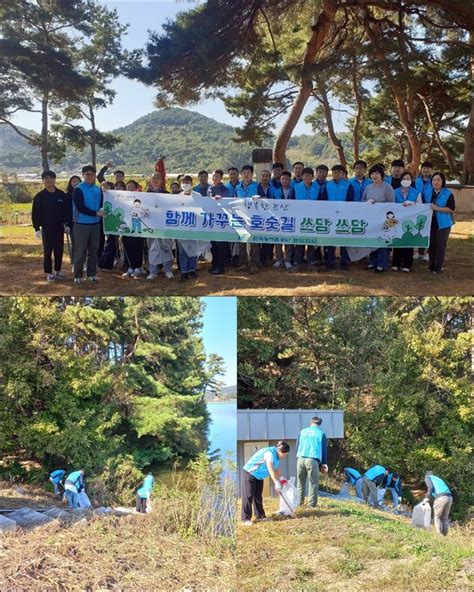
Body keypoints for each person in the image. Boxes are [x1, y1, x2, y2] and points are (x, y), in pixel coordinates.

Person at [32, 170, 71, 282]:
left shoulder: (61, 195)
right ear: (43, 180)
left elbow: (66, 210)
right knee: (47, 251)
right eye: (46, 178)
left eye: (51, 178)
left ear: (54, 179)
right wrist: (36, 228)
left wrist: (67, 224)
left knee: (59, 250)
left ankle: (58, 270)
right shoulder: (39, 197)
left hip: (59, 228)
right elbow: (35, 213)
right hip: (46, 228)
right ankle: (49, 273)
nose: (48, 180)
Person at [241, 441, 290, 525]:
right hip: (250, 473)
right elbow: (270, 469)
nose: (285, 455)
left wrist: (282, 478)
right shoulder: (269, 454)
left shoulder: (277, 455)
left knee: (258, 496)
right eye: (284, 454)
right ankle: (245, 519)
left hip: (259, 476)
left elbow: (276, 467)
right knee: (248, 496)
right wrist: (276, 482)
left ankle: (260, 516)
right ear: (279, 451)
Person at [71, 165, 104, 284]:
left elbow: (102, 204)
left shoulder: (97, 189)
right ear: (83, 175)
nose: (90, 176)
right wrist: (96, 213)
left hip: (95, 224)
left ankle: (91, 274)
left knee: (94, 250)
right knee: (80, 251)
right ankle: (78, 275)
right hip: (81, 224)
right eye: (87, 174)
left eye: (92, 174)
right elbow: (80, 207)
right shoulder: (78, 189)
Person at [321, 165, 355, 271]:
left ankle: (343, 262)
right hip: (330, 216)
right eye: (334, 172)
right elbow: (323, 200)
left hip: (344, 217)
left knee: (343, 240)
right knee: (330, 240)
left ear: (342, 173)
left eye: (338, 172)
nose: (336, 174)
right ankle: (330, 262)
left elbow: (350, 200)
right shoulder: (327, 185)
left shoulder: (348, 185)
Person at [362, 164, 395, 272]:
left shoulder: (387, 187)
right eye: (372, 174)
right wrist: (367, 203)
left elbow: (392, 203)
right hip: (371, 219)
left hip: (384, 219)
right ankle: (373, 262)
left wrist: (379, 205)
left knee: (382, 241)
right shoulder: (368, 187)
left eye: (377, 173)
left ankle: (382, 264)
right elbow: (362, 201)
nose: (374, 176)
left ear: (381, 175)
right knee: (372, 241)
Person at [177, 175, 210, 280]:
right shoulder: (177, 197)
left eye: (187, 182)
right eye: (183, 182)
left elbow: (204, 209)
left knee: (193, 249)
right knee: (182, 250)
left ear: (191, 183)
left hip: (194, 226)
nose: (185, 184)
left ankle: (192, 270)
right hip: (181, 227)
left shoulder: (198, 196)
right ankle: (184, 271)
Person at [288, 166, 320, 271]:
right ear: (301, 176)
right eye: (305, 176)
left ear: (312, 177)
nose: (307, 178)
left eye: (309, 176)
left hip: (312, 219)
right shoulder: (296, 187)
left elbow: (322, 203)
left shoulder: (317, 187)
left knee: (311, 241)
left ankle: (310, 262)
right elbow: (290, 201)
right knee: (299, 241)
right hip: (299, 219)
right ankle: (298, 262)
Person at [235, 165, 265, 273]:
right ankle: (243, 263)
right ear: (241, 175)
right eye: (244, 173)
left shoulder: (257, 186)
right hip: (240, 217)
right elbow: (232, 200)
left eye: (248, 173)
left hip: (254, 218)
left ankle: (254, 264)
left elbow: (265, 199)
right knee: (242, 241)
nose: (246, 175)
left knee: (254, 242)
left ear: (252, 174)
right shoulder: (237, 187)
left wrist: (259, 198)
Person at [145, 173, 174, 281]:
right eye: (154, 178)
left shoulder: (167, 194)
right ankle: (153, 271)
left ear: (162, 181)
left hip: (164, 225)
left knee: (166, 246)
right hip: (150, 226)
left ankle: (168, 269)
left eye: (158, 178)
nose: (156, 180)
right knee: (152, 248)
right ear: (150, 180)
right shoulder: (145, 195)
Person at [392, 171, 422, 272]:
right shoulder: (395, 191)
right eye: (404, 179)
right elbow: (391, 205)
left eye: (408, 179)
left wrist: (413, 204)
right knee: (397, 240)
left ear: (411, 180)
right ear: (401, 180)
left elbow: (420, 206)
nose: (406, 181)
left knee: (408, 240)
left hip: (411, 220)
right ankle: (396, 263)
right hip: (397, 220)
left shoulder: (416, 192)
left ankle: (407, 264)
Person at [296, 416, 328, 508]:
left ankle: (298, 503)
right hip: (312, 459)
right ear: (320, 424)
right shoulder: (321, 433)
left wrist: (298, 456)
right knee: (313, 482)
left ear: (311, 422)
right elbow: (323, 450)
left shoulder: (302, 431)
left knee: (300, 482)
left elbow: (297, 445)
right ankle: (311, 505)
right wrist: (324, 463)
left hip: (300, 458)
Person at [428, 172, 455, 274]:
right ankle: (431, 265)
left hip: (443, 224)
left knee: (440, 245)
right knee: (431, 245)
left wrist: (437, 208)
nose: (436, 182)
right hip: (430, 223)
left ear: (442, 182)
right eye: (434, 180)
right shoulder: (428, 192)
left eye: (438, 180)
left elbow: (451, 209)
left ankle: (437, 267)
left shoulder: (448, 193)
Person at [122, 180, 146, 279]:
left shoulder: (141, 198)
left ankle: (138, 267)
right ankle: (130, 267)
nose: (129, 188)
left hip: (138, 227)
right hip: (126, 228)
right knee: (127, 246)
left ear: (136, 187)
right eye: (128, 186)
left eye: (132, 186)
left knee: (137, 247)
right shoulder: (122, 198)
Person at [209, 169, 230, 275]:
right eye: (213, 176)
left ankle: (221, 267)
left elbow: (227, 202)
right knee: (213, 244)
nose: (214, 178)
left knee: (221, 244)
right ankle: (214, 264)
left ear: (221, 178)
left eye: (217, 176)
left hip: (221, 220)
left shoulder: (224, 189)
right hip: (211, 220)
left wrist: (221, 199)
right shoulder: (210, 188)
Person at [273, 171, 294, 269]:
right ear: (280, 180)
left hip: (290, 218)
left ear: (290, 180)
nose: (284, 180)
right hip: (278, 218)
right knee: (277, 240)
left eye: (286, 178)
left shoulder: (294, 190)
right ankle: (279, 259)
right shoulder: (276, 191)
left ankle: (288, 260)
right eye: (282, 179)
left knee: (289, 240)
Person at [414, 161, 433, 262]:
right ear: (421, 170)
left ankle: (429, 252)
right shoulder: (417, 181)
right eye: (424, 168)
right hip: (420, 208)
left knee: (431, 230)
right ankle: (420, 252)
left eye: (428, 168)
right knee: (420, 229)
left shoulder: (434, 180)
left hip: (431, 208)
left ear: (431, 170)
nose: (426, 170)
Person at [424, 471, 452, 536]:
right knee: (445, 518)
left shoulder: (428, 477)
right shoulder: (438, 478)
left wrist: (427, 497)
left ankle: (438, 535)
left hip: (441, 497)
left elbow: (430, 487)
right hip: (449, 497)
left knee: (437, 517)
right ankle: (445, 535)